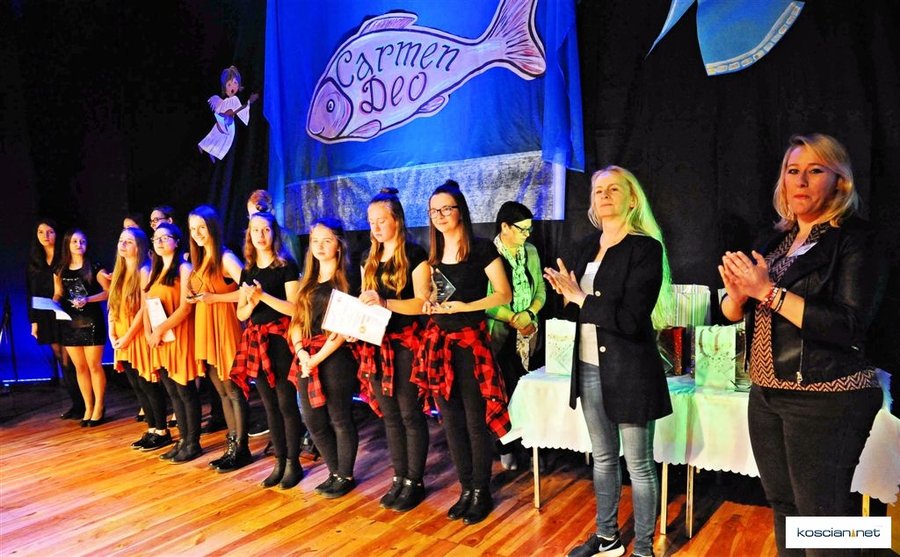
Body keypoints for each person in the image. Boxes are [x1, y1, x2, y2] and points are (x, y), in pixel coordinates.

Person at [719, 134, 884, 557]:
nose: (801, 181)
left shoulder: (857, 239)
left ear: (840, 182)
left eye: (815, 170)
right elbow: (733, 311)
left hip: (827, 395)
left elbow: (849, 325)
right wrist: (737, 296)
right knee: (786, 507)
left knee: (822, 519)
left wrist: (767, 291)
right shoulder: (774, 240)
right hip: (767, 393)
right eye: (793, 171)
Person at [545, 166, 674, 557]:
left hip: (630, 372)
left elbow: (631, 319)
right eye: (598, 189)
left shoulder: (645, 249)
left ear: (632, 199)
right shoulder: (586, 247)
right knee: (602, 458)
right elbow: (575, 311)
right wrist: (565, 296)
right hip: (587, 368)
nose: (603, 194)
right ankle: (608, 539)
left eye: (613, 188)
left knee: (639, 465)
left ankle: (644, 549)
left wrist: (580, 298)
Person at [411, 180, 512, 525]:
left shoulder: (481, 249)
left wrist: (468, 305)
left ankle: (482, 491)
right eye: (434, 211)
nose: (440, 216)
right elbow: (430, 297)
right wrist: (429, 303)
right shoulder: (432, 255)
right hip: (439, 344)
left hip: (470, 344)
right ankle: (466, 488)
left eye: (446, 209)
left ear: (460, 211)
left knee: (474, 421)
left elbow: (504, 294)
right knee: (451, 421)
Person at [356, 188, 431, 510]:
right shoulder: (368, 258)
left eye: (381, 220)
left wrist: (386, 303)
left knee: (410, 413)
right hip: (377, 344)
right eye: (371, 221)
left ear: (397, 220)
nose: (375, 227)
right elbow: (364, 301)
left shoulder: (415, 254)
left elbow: (422, 304)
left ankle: (415, 480)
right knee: (389, 416)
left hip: (406, 342)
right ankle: (399, 476)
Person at [231, 211, 303, 489]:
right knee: (270, 405)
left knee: (286, 403)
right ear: (249, 235)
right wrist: (250, 303)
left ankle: (293, 463)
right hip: (256, 342)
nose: (260, 236)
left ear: (274, 233)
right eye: (255, 230)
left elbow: (295, 309)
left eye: (265, 230)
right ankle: (280, 461)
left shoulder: (286, 265)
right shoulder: (248, 270)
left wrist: (263, 296)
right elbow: (241, 314)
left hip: (280, 340)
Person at [289, 217, 360, 498]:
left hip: (335, 357)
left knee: (339, 418)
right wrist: (301, 351)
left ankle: (345, 475)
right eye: (315, 241)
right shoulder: (307, 280)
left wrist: (316, 358)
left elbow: (342, 329)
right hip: (307, 356)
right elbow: (296, 320)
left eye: (326, 240)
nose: (319, 246)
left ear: (339, 245)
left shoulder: (347, 281)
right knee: (313, 420)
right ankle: (334, 471)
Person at [186, 205, 251, 472]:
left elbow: (248, 290)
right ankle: (232, 445)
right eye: (193, 229)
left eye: (202, 227)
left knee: (233, 390)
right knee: (222, 391)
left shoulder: (226, 257)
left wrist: (215, 298)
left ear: (212, 227)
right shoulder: (201, 258)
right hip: (207, 326)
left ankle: (242, 448)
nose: (197, 233)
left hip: (225, 326)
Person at [485, 201, 546, 471]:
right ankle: (506, 447)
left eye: (530, 229)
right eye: (522, 229)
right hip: (500, 335)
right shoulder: (488, 254)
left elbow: (540, 288)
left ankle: (534, 449)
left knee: (532, 392)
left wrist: (529, 314)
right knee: (505, 393)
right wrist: (512, 318)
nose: (527, 234)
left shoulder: (530, 251)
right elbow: (484, 300)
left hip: (529, 333)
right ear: (505, 227)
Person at [107, 227, 171, 451]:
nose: (123, 245)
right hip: (122, 337)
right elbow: (113, 306)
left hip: (136, 335)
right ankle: (151, 428)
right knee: (136, 385)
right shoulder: (119, 272)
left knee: (148, 384)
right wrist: (112, 333)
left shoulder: (144, 270)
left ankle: (161, 430)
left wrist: (127, 336)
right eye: (121, 240)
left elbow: (144, 309)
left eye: (129, 241)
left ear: (139, 246)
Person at [144, 222, 203, 463]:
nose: (159, 242)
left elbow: (185, 308)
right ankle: (182, 439)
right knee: (173, 393)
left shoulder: (184, 268)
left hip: (179, 336)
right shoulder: (155, 270)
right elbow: (147, 305)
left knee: (185, 391)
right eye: (155, 238)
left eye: (164, 237)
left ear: (177, 242)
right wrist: (149, 333)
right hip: (162, 340)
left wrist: (159, 330)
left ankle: (193, 442)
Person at [54, 229, 111, 427]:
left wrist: (88, 299)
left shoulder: (95, 266)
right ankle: (88, 406)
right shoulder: (61, 269)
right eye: (75, 241)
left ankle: (99, 406)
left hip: (91, 320)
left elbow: (108, 292)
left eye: (82, 241)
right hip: (70, 322)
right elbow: (58, 292)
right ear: (67, 244)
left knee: (94, 365)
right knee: (79, 367)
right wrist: (53, 303)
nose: (79, 245)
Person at [27, 219, 81, 419]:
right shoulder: (34, 261)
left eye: (50, 231)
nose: (45, 236)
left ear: (57, 234)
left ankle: (85, 403)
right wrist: (34, 321)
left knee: (71, 361)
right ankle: (76, 404)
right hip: (45, 313)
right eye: (41, 232)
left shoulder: (64, 256)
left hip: (66, 310)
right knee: (61, 360)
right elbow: (31, 292)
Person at [198, 65, 259, 162]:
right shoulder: (226, 101)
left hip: (228, 124)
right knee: (213, 135)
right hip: (223, 121)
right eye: (229, 84)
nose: (232, 87)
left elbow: (240, 110)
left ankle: (213, 152)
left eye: (235, 83)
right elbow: (220, 110)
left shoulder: (235, 100)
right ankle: (202, 145)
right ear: (225, 87)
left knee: (223, 140)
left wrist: (248, 103)